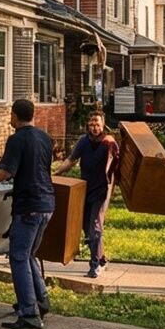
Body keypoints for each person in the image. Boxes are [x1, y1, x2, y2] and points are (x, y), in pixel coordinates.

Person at [0, 98, 55, 329]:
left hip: (28, 206)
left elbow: (7, 170)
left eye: (10, 114)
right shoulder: (44, 138)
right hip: (47, 204)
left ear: (15, 116)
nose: (10, 118)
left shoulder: (16, 139)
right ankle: (41, 301)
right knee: (28, 254)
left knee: (18, 257)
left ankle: (29, 314)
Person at [54, 110, 118, 278]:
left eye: (97, 123)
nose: (94, 127)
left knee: (95, 227)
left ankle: (94, 265)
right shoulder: (83, 141)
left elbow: (117, 163)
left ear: (103, 124)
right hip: (86, 190)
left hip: (102, 191)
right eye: (91, 123)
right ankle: (101, 258)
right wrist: (56, 174)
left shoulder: (108, 142)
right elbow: (71, 160)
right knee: (86, 228)